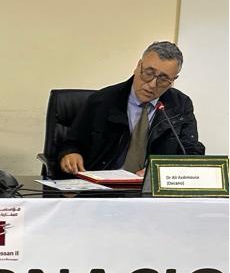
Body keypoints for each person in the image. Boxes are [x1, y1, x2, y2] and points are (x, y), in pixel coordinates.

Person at [59, 41, 204, 176]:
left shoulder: (180, 105)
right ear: (138, 66)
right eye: (148, 73)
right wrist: (71, 153)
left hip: (150, 189)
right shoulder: (101, 101)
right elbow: (72, 143)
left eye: (163, 79)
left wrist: (158, 171)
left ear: (173, 80)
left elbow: (190, 153)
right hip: (102, 185)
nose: (152, 84)